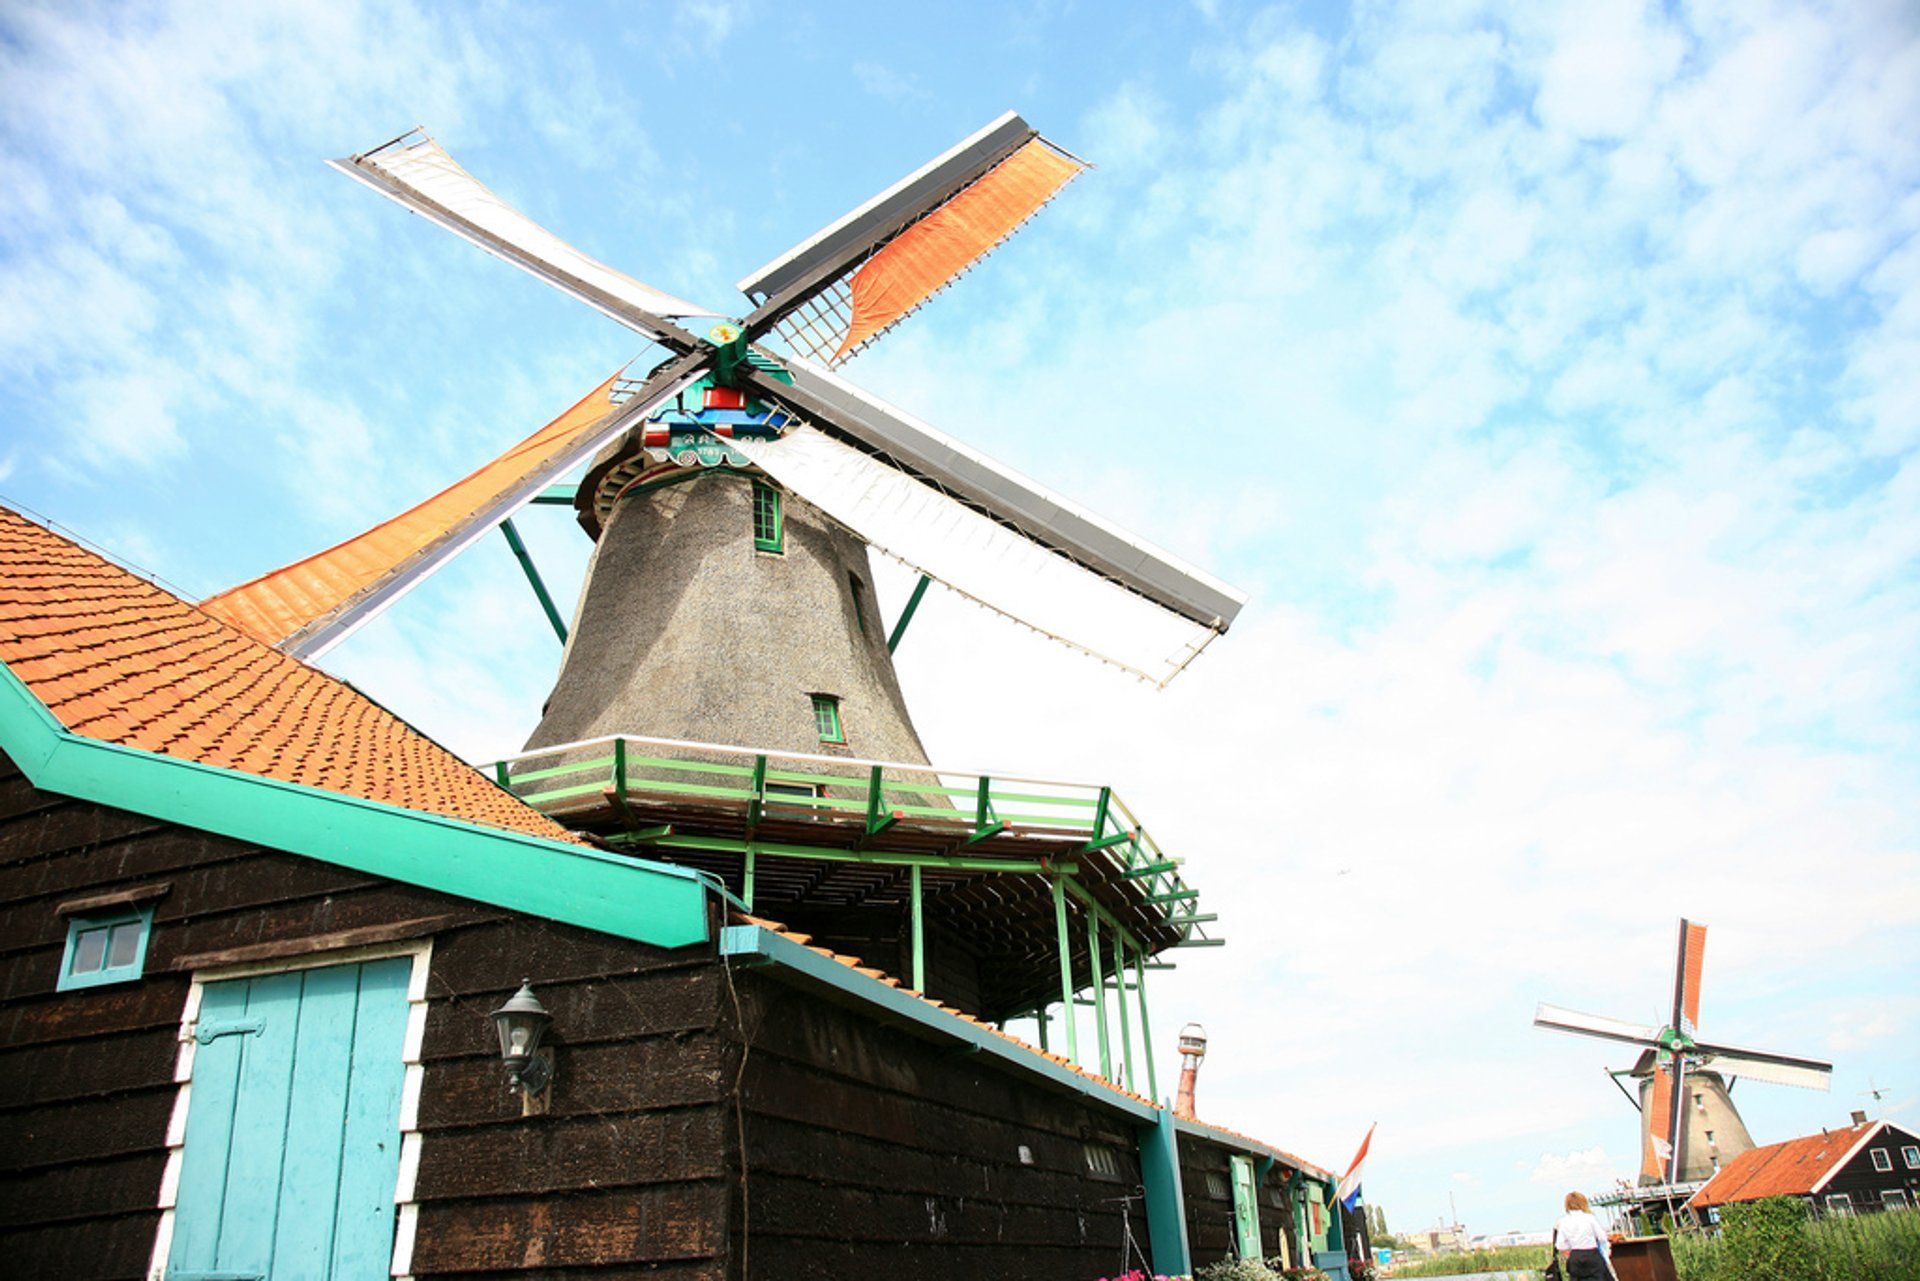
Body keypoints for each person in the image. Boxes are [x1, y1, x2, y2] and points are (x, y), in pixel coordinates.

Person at [1554, 1191, 1612, 1280]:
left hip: (1575, 1256)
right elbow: (1602, 1237)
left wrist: (1570, 1250)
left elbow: (1560, 1245)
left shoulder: (1563, 1221)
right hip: (1591, 1254)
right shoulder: (1589, 1218)